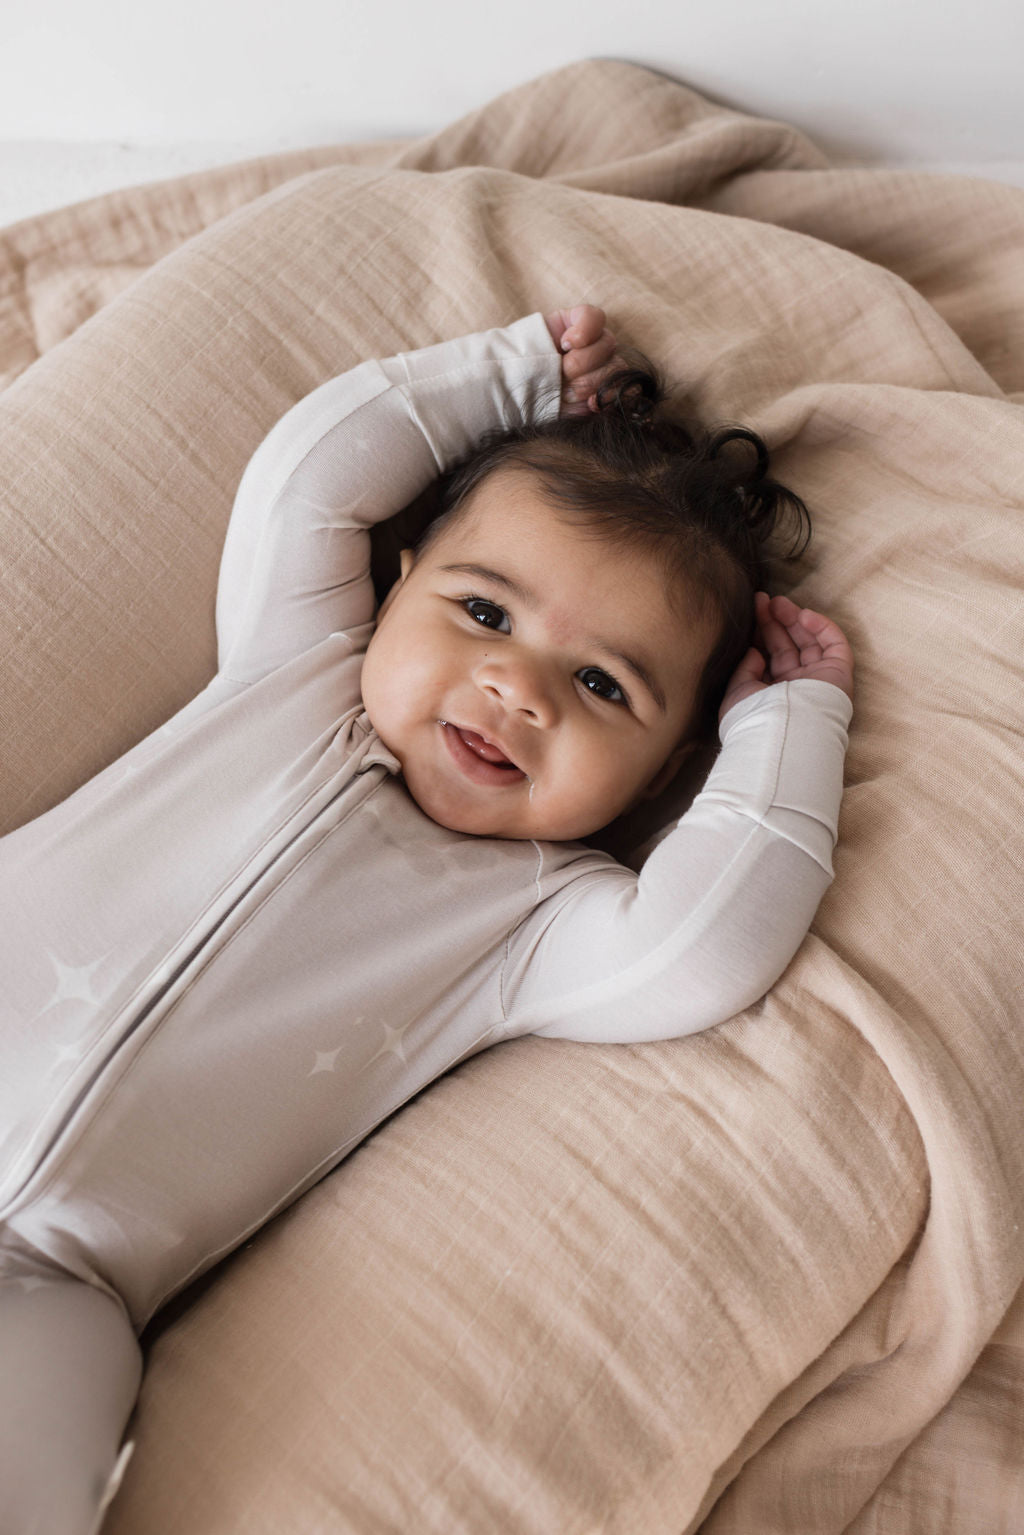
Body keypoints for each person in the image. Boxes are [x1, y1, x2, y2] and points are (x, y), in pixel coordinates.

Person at [0, 304, 853, 1533]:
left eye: (604, 684)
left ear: (670, 771)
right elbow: (310, 476)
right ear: (398, 584)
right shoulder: (292, 672)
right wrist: (512, 373)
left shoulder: (533, 921)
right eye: (485, 613)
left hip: (66, 1279)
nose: (516, 686)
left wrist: (788, 730)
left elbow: (704, 945)